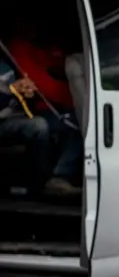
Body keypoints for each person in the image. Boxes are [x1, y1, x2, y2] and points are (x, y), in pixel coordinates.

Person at [7, 21, 83, 195]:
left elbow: (56, 65)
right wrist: (73, 99)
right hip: (32, 110)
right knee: (75, 122)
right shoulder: (19, 48)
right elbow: (39, 84)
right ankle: (60, 176)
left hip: (48, 107)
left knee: (76, 118)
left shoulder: (44, 49)